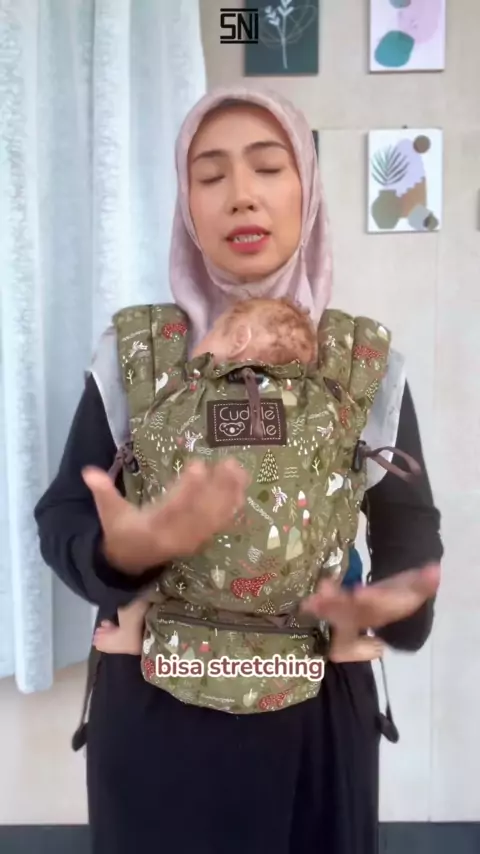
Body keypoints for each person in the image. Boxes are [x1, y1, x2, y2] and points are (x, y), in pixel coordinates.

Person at [34, 87, 442, 854]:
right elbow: (64, 514)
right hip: (157, 716)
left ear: (307, 189)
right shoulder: (133, 358)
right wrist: (118, 553)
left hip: (317, 719)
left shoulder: (363, 363)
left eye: (268, 167)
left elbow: (408, 524)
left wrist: (398, 601)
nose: (241, 195)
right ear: (186, 201)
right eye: (211, 174)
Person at [92, 295, 384, 666]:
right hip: (303, 592)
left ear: (239, 340)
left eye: (212, 333)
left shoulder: (178, 401)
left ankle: (128, 634)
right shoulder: (322, 406)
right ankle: (344, 640)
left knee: (139, 552)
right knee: (345, 563)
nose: (199, 345)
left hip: (179, 585)